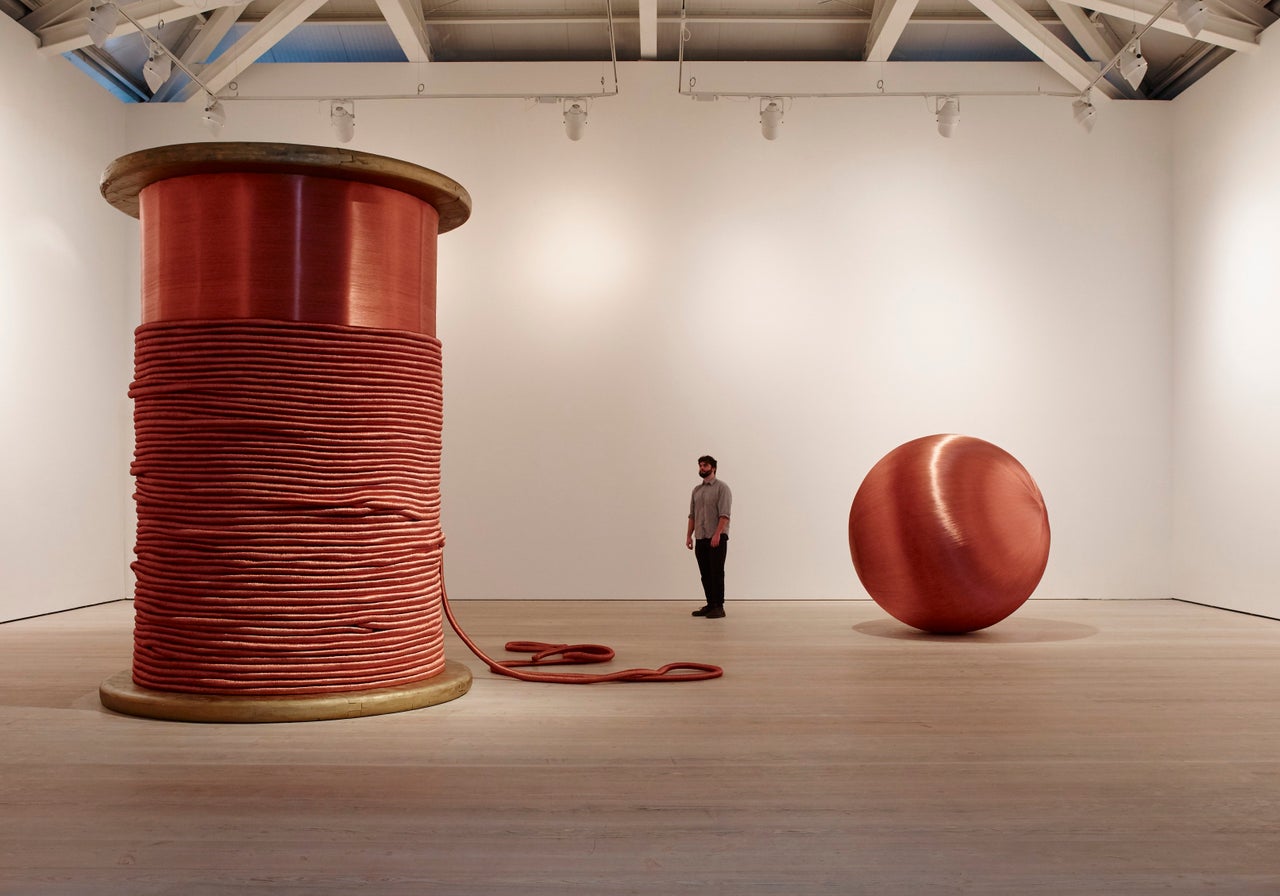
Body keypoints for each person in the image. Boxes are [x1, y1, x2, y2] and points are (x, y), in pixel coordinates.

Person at [686, 455, 732, 619]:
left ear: (713, 468)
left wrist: (718, 534)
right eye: (700, 465)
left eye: (705, 465)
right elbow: (692, 515)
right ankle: (710, 604)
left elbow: (725, 514)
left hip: (717, 538)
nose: (701, 468)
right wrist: (689, 536)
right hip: (701, 537)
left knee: (717, 572)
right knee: (705, 573)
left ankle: (719, 606)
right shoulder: (696, 491)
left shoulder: (722, 488)